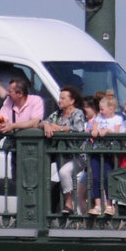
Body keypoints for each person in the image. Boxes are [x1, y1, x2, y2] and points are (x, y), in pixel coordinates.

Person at [41, 85, 86, 215]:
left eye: (63, 98)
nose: (59, 100)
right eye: (59, 98)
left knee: (64, 172)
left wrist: (59, 128)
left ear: (72, 101)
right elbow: (42, 122)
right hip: (61, 155)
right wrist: (47, 125)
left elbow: (77, 129)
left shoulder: (77, 113)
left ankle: (68, 201)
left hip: (78, 155)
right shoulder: (57, 114)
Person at [87, 93, 126, 217]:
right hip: (97, 150)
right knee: (96, 177)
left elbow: (117, 132)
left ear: (111, 109)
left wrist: (108, 131)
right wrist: (95, 130)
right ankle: (98, 204)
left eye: (102, 109)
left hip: (109, 153)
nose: (101, 111)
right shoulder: (99, 118)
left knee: (107, 177)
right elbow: (94, 129)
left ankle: (109, 204)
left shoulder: (117, 119)